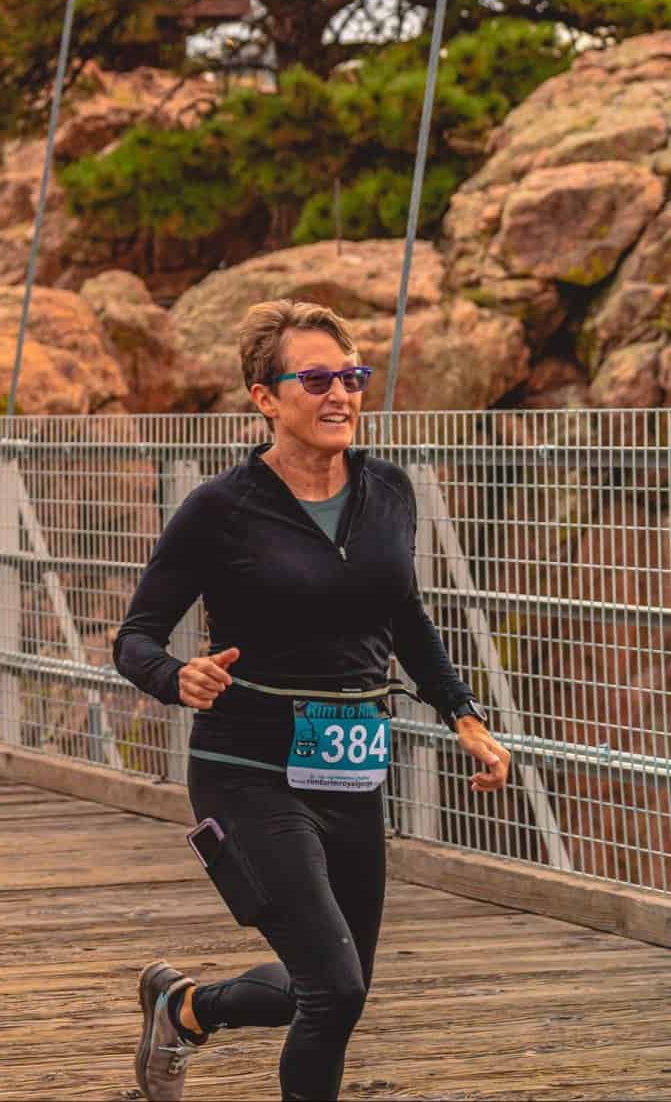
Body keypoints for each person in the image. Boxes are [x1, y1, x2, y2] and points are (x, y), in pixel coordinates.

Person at [117, 300, 510, 1102]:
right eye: (317, 379)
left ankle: (185, 1008)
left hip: (350, 774)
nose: (340, 395)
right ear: (264, 398)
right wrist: (175, 677)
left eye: (352, 377)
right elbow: (136, 638)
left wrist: (462, 716)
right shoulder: (219, 510)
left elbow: (402, 615)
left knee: (337, 989)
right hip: (246, 768)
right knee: (332, 986)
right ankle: (187, 1010)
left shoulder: (388, 491)